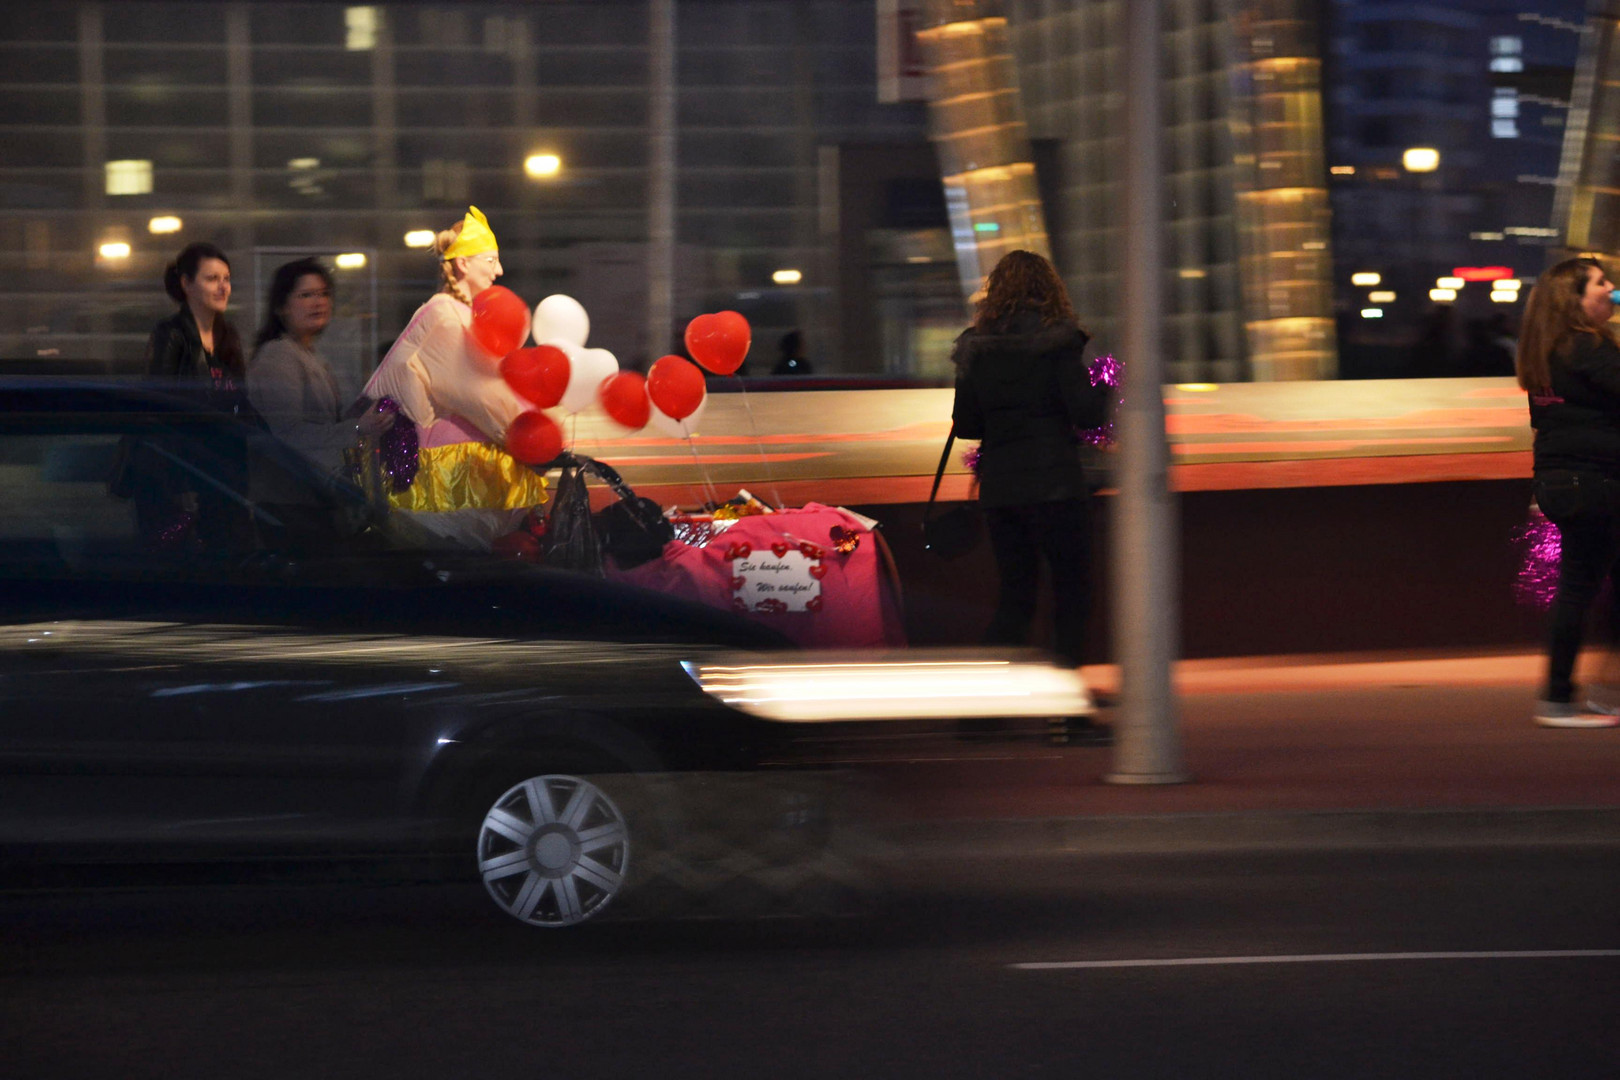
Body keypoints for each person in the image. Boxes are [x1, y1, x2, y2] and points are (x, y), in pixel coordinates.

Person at [950, 249, 1112, 743]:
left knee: (1015, 598)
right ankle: (1068, 717)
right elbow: (1087, 415)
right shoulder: (1058, 346)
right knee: (1070, 595)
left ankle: (983, 716)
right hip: (1056, 486)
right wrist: (1105, 380)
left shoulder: (976, 350)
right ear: (1049, 290)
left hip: (1002, 490)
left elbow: (967, 425)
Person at [360, 206, 547, 547]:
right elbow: (477, 392)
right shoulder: (445, 314)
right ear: (463, 263)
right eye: (490, 261)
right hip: (451, 477)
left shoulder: (455, 312)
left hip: (456, 470)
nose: (500, 270)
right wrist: (529, 434)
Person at [1516, 255, 1620, 727]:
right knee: (1580, 586)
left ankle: (1579, 693)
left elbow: (1547, 426)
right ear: (1574, 299)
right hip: (1597, 482)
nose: (1612, 288)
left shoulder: (1548, 352)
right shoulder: (1589, 347)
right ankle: (1558, 699)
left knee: (1587, 584)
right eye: (1601, 283)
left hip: (1564, 482)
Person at [129, 242, 254, 549]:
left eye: (226, 278)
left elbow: (240, 401)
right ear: (186, 284)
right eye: (212, 279)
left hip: (222, 473)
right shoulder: (171, 334)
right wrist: (177, 482)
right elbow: (158, 409)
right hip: (185, 476)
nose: (223, 287)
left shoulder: (228, 336)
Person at [248, 258, 393, 481]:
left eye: (324, 294)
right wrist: (357, 427)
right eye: (306, 295)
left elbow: (326, 423)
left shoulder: (310, 355)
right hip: (290, 495)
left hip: (313, 488)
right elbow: (289, 434)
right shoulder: (278, 356)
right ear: (281, 307)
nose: (319, 302)